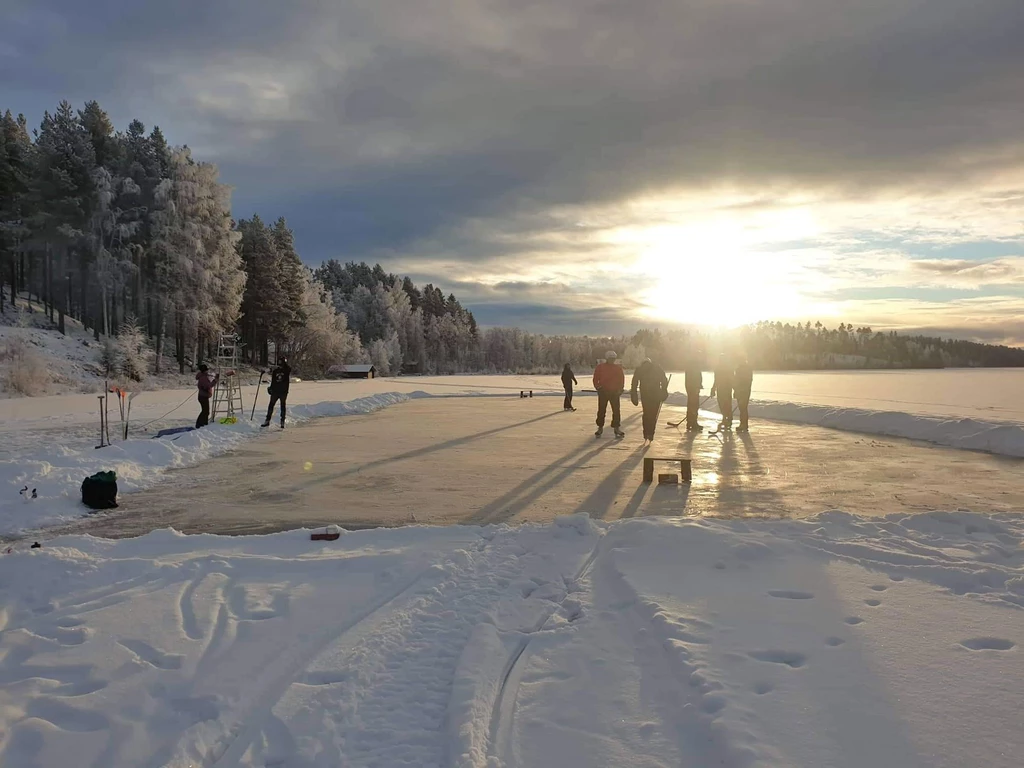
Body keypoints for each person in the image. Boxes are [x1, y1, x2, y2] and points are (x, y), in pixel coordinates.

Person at [631, 357, 669, 444]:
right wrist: (664, 390)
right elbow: (664, 380)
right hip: (656, 394)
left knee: (646, 413)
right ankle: (651, 433)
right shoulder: (657, 367)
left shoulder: (640, 369)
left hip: (645, 394)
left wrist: (634, 394)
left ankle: (646, 433)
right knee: (653, 414)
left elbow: (634, 382)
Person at [593, 350, 625, 438]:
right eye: (611, 358)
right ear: (607, 358)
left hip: (615, 392)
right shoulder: (600, 367)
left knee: (616, 411)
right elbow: (596, 378)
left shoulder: (618, 368)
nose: (612, 360)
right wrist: (598, 387)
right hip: (603, 392)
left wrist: (620, 388)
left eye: (614, 359)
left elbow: (621, 379)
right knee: (601, 410)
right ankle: (600, 427)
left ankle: (616, 428)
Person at [262, 356, 292, 428]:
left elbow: (289, 369)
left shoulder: (286, 370)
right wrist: (271, 388)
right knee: (271, 405)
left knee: (282, 406)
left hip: (283, 391)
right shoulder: (275, 371)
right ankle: (267, 420)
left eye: (281, 362)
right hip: (275, 391)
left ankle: (282, 421)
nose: (279, 363)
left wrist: (284, 364)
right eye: (279, 362)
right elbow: (273, 381)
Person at [709, 354, 734, 429]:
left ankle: (729, 420)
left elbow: (732, 380)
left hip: (727, 389)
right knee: (722, 405)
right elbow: (716, 380)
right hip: (720, 389)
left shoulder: (729, 369)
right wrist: (713, 388)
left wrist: (735, 389)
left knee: (727, 405)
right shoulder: (718, 368)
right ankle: (725, 419)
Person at [195, 364, 219, 428]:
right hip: (203, 397)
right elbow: (208, 386)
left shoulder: (203, 376)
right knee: (205, 411)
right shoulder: (203, 377)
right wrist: (215, 380)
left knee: (205, 411)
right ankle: (200, 424)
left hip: (202, 396)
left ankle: (202, 424)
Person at [684, 356, 704, 431]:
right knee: (694, 406)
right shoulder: (694, 367)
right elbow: (694, 379)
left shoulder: (692, 366)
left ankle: (690, 422)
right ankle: (692, 423)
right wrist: (696, 387)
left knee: (692, 406)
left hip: (692, 389)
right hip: (693, 390)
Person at [734, 358, 753, 432]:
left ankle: (744, 424)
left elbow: (748, 381)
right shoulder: (738, 369)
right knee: (741, 408)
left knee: (743, 408)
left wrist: (743, 390)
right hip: (739, 391)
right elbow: (736, 380)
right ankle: (743, 424)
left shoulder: (747, 369)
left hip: (744, 391)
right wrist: (736, 390)